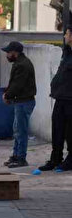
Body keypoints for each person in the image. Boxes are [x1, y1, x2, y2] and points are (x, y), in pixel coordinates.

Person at [1, 41, 37, 168]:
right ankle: (16, 155)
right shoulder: (20, 62)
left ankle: (21, 158)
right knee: (17, 130)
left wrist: (7, 95)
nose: (7, 55)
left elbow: (17, 84)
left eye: (8, 52)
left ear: (14, 53)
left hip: (24, 102)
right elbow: (15, 83)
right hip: (21, 101)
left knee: (21, 131)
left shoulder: (22, 65)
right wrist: (9, 94)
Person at [45, 27, 72, 172]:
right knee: (57, 129)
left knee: (69, 132)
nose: (65, 36)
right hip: (60, 97)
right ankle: (55, 158)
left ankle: (70, 160)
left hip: (70, 100)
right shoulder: (66, 52)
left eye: (67, 34)